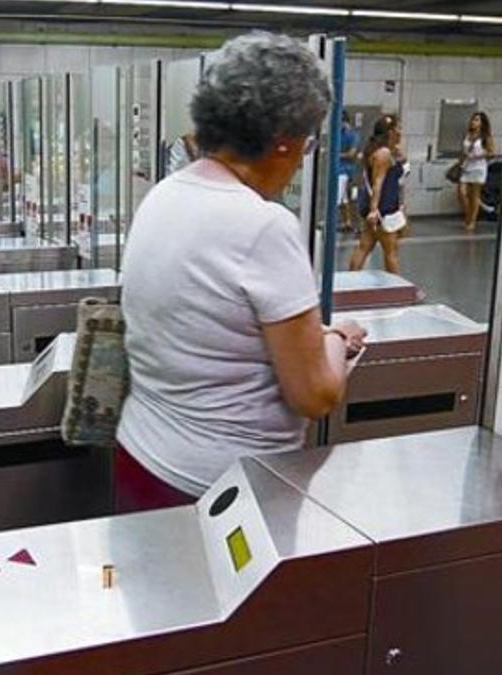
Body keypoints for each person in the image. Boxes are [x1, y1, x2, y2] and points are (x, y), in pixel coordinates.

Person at [116, 32, 367, 512]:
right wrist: (338, 340)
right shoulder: (263, 225)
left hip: (140, 456)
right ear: (281, 144)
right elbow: (314, 394)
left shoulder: (165, 195)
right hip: (221, 490)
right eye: (307, 143)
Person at [348, 114, 408, 274]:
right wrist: (375, 210)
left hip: (383, 205)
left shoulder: (385, 151)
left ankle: (351, 280)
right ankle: (395, 287)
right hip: (383, 208)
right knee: (391, 251)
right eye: (397, 128)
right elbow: (378, 182)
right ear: (390, 131)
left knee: (364, 246)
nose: (400, 131)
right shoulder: (383, 154)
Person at [456, 111, 496, 232]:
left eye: (477, 120)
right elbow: (463, 151)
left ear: (482, 123)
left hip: (478, 167)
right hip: (466, 166)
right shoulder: (467, 135)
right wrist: (460, 163)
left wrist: (480, 155)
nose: (474, 122)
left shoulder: (486, 137)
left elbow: (492, 152)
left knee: (474, 195)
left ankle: (471, 220)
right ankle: (469, 215)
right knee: (461, 193)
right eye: (473, 119)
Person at [337, 111, 361, 233]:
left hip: (346, 171)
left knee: (339, 198)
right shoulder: (337, 134)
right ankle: (348, 222)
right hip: (338, 170)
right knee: (344, 199)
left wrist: (336, 154)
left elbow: (352, 154)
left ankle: (358, 225)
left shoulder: (353, 135)